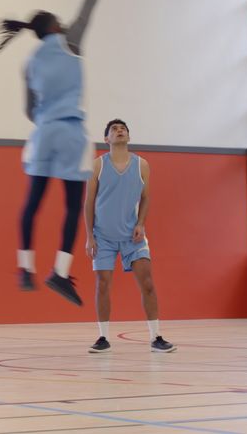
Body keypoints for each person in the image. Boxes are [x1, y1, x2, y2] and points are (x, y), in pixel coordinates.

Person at [0, 0, 114, 306]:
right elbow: (91, 1)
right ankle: (60, 273)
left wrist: (46, 119)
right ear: (57, 27)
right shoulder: (71, 41)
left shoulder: (30, 63)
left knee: (32, 202)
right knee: (73, 206)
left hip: (43, 133)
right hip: (71, 134)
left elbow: (28, 111)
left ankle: (25, 268)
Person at [84, 119, 176, 353]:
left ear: (128, 136)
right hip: (103, 236)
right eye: (114, 129)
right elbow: (89, 203)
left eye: (123, 128)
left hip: (132, 237)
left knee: (148, 283)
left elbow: (146, 198)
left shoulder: (142, 165)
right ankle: (103, 338)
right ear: (106, 139)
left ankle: (156, 337)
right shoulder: (97, 165)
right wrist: (90, 237)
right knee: (103, 285)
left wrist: (141, 223)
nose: (119, 131)